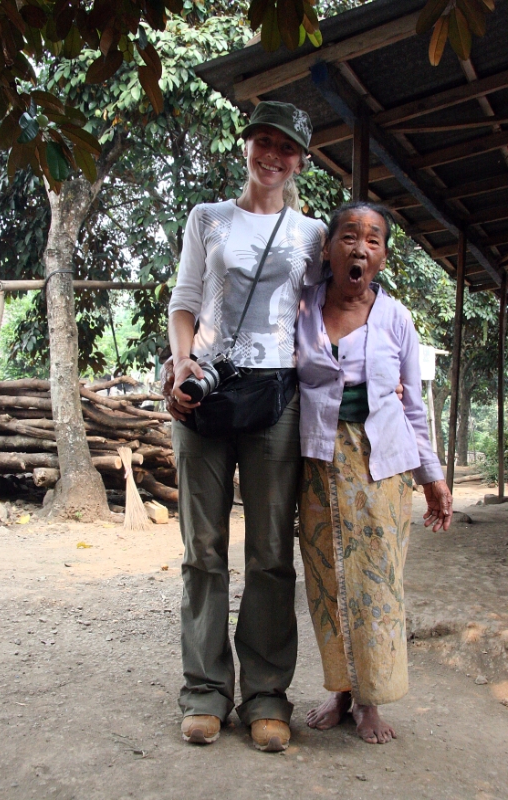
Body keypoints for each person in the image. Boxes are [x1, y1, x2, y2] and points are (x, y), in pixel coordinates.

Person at [166, 101, 327, 751]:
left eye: (286, 148)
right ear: (245, 147)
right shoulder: (207, 218)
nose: (273, 155)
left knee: (268, 554)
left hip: (276, 398)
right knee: (202, 551)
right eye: (264, 141)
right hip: (202, 395)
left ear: (301, 162)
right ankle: (205, 689)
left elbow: (323, 312)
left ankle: (265, 693)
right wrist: (179, 364)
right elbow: (184, 302)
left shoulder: (313, 234)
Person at [295, 201, 453, 745]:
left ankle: (370, 702)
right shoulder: (302, 306)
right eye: (349, 236)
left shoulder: (397, 318)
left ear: (383, 255)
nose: (360, 247)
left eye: (373, 239)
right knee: (327, 577)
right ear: (329, 248)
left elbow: (413, 410)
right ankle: (340, 691)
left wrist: (432, 478)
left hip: (381, 465)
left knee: (377, 582)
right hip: (316, 461)